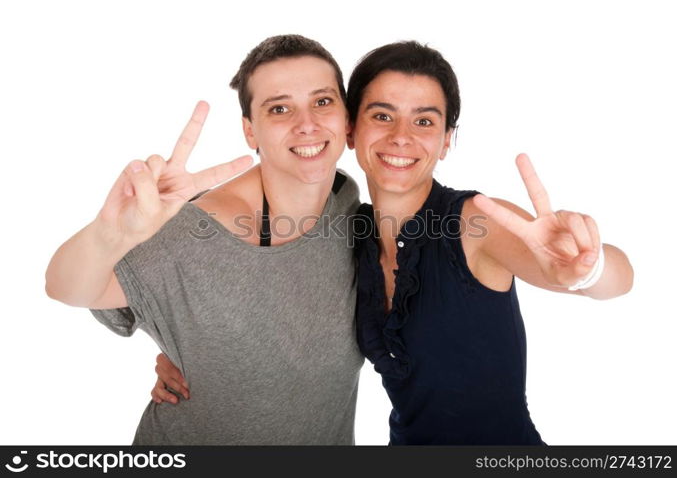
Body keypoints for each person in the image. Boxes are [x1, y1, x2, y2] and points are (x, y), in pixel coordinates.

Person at [154, 40, 633, 445]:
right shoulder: (347, 227)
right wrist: (185, 351)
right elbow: (266, 294)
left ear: (446, 140)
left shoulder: (474, 223)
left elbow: (615, 279)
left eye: (425, 122)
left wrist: (586, 269)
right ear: (351, 128)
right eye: (382, 115)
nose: (402, 137)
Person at [45, 35, 364, 444]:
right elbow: (66, 287)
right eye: (279, 108)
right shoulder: (194, 231)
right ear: (250, 131)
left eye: (322, 102)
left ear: (346, 119)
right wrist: (113, 234)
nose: (307, 124)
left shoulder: (350, 208)